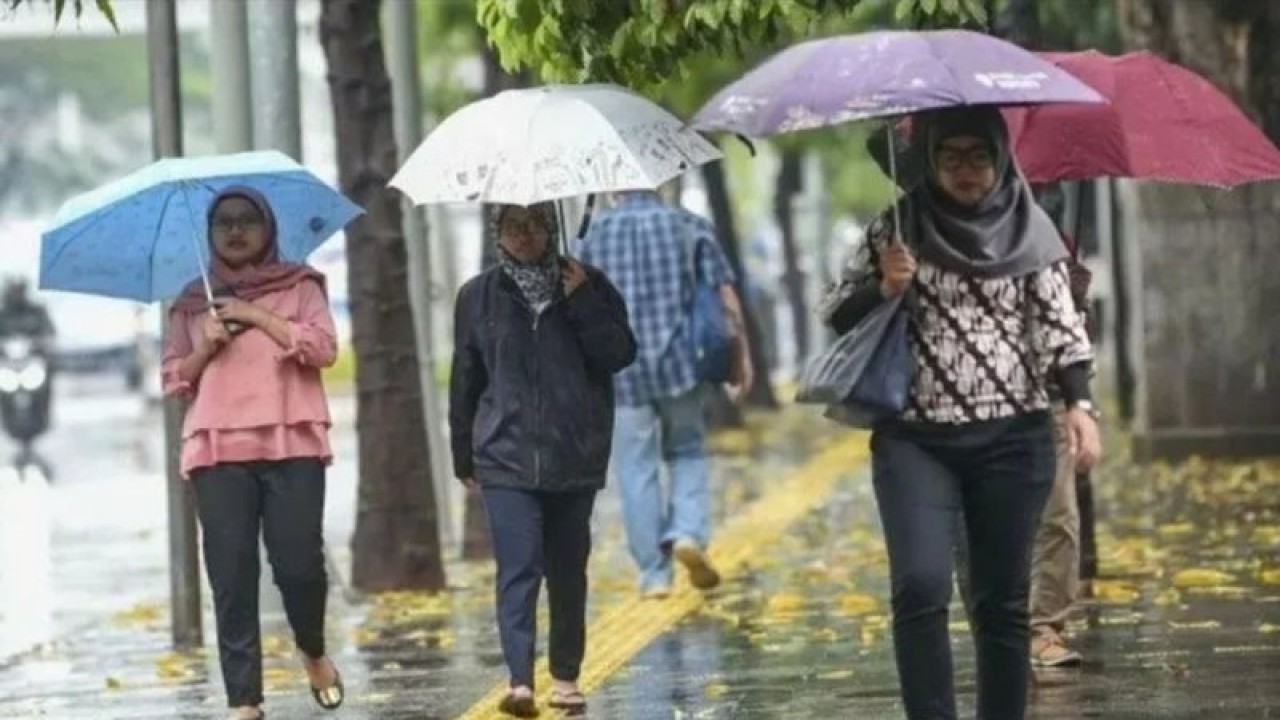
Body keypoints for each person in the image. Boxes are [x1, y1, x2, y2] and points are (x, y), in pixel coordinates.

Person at [819, 106, 1101, 720]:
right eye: (951, 157)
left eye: (979, 156)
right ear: (929, 160)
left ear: (999, 157)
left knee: (1000, 601)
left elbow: (1062, 330)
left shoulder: (1034, 230)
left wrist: (1080, 406)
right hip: (915, 439)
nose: (966, 170)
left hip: (1012, 437)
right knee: (920, 587)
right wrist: (883, 287)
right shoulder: (895, 228)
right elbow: (835, 312)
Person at [161, 187, 344, 720]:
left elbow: (324, 349)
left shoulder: (302, 285)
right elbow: (174, 378)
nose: (236, 231)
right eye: (223, 223)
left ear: (267, 228)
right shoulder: (193, 300)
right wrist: (206, 345)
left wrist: (255, 315)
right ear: (210, 234)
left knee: (299, 566)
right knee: (231, 574)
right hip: (218, 448)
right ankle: (244, 699)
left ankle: (311, 646)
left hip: (293, 442)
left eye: (247, 221)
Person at [449, 202, 636, 717]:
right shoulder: (478, 295)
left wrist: (582, 302)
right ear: (498, 234)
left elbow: (618, 354)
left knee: (567, 569)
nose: (527, 236)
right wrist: (462, 450)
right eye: (515, 227)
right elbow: (465, 375)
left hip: (573, 451)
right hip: (503, 453)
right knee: (518, 566)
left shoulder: (588, 283)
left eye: (536, 225)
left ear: (552, 228)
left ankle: (566, 676)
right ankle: (519, 681)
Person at [577, 190, 753, 598]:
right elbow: (725, 297)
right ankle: (687, 531)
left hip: (620, 372)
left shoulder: (591, 236)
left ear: (613, 187)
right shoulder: (689, 225)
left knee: (635, 468)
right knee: (687, 450)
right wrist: (742, 359)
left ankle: (654, 574)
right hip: (683, 365)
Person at [0, 278, 55, 345]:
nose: (16, 295)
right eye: (13, 291)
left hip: (34, 351)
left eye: (19, 291)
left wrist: (37, 341)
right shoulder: (2, 314)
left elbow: (49, 331)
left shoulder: (36, 311)